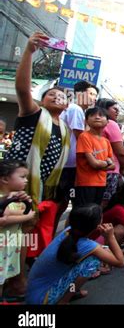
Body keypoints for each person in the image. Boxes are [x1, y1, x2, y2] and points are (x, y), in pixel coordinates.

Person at [6, 32, 70, 210]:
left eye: (61, 96)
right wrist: (28, 51)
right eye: (51, 94)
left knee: (23, 232)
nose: (56, 97)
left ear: (66, 106)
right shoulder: (34, 113)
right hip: (12, 182)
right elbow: (22, 89)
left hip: (39, 189)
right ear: (42, 101)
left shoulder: (65, 130)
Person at [26, 204, 124, 305]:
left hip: (33, 293)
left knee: (100, 252)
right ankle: (63, 301)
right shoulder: (87, 245)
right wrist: (111, 236)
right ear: (97, 225)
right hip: (42, 299)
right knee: (93, 261)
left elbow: (105, 251)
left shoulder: (68, 231)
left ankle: (69, 292)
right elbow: (120, 262)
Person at [55, 81, 99, 235]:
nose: (94, 98)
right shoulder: (76, 109)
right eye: (91, 93)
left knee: (63, 203)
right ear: (79, 94)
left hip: (68, 164)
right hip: (70, 165)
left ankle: (59, 236)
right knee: (68, 204)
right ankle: (63, 238)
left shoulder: (76, 110)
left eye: (95, 95)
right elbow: (81, 137)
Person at [0, 161, 35, 301]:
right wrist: (27, 216)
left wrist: (26, 203)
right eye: (22, 176)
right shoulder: (3, 198)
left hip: (9, 247)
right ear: (5, 179)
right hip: (3, 245)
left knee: (4, 278)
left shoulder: (16, 196)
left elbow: (22, 211)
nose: (26, 180)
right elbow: (3, 218)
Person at [75, 107, 115, 206]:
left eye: (101, 115)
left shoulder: (106, 141)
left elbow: (113, 165)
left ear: (107, 122)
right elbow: (94, 164)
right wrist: (107, 162)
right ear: (86, 121)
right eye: (92, 115)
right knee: (83, 212)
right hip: (86, 183)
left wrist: (101, 163)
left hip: (101, 183)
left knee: (94, 212)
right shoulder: (84, 136)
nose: (97, 117)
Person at [96, 99, 124, 207]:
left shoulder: (91, 122)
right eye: (115, 109)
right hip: (109, 171)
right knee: (101, 205)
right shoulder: (111, 123)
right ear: (105, 108)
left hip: (92, 168)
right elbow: (121, 152)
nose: (117, 112)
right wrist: (123, 168)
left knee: (84, 205)